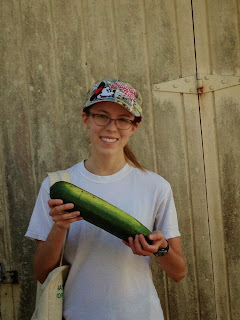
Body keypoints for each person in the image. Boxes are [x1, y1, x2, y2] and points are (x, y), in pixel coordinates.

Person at [25, 78, 186, 320]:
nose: (111, 128)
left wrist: (160, 249)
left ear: (134, 126)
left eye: (123, 119)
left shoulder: (156, 186)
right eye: (102, 116)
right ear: (85, 119)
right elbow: (41, 273)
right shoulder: (56, 185)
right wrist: (60, 226)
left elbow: (179, 272)